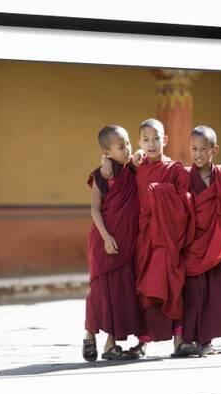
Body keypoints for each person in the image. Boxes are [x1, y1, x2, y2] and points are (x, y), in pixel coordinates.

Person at [100, 118, 196, 358]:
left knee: (172, 287)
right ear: (139, 142)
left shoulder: (174, 169)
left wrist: (159, 193)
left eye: (156, 139)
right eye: (145, 139)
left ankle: (180, 340)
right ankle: (142, 343)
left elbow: (186, 202)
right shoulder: (137, 168)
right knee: (144, 290)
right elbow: (117, 186)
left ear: (165, 140)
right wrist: (107, 163)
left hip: (168, 241)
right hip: (143, 240)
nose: (151, 144)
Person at [182, 125, 221, 355]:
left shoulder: (220, 173)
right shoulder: (186, 175)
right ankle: (187, 339)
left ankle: (207, 341)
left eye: (203, 149)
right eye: (194, 149)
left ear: (214, 150)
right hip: (194, 242)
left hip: (214, 243)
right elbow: (181, 207)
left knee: (213, 292)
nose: (198, 154)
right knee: (192, 292)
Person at [82, 125, 142, 361]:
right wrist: (106, 237)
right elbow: (95, 210)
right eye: (120, 146)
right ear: (106, 152)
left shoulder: (133, 170)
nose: (127, 149)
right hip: (104, 242)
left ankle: (110, 344)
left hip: (126, 244)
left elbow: (144, 155)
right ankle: (89, 335)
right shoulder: (101, 175)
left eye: (127, 143)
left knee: (119, 293)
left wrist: (135, 157)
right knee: (99, 292)